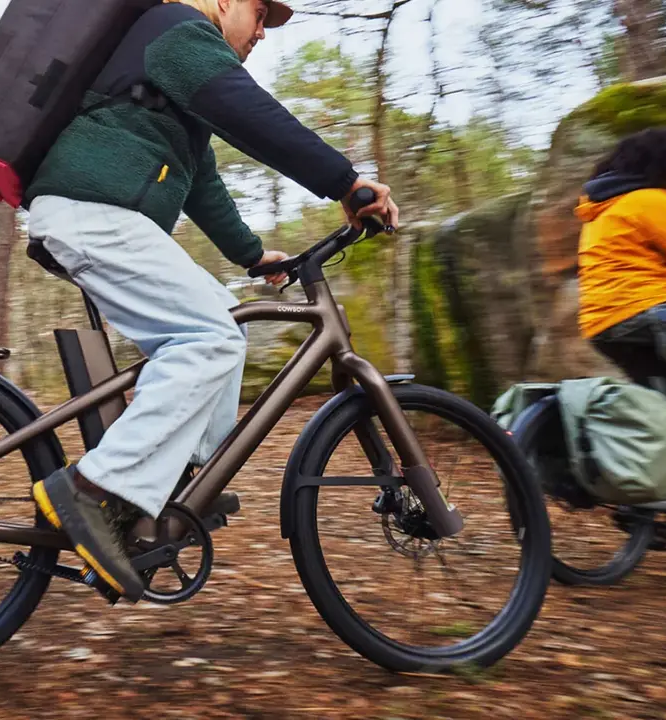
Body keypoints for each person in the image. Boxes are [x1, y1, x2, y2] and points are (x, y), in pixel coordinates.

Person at [26, 0, 400, 601]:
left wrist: (252, 255)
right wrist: (344, 181)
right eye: (258, 13)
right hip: (91, 212)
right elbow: (249, 112)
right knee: (207, 339)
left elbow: (201, 180)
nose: (260, 33)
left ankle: (169, 483)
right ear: (223, 2)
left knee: (223, 319)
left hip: (106, 217)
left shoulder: (173, 77)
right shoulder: (176, 28)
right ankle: (94, 493)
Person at [576, 127, 666, 394]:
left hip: (604, 327)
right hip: (650, 312)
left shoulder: (606, 209)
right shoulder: (648, 201)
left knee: (662, 410)